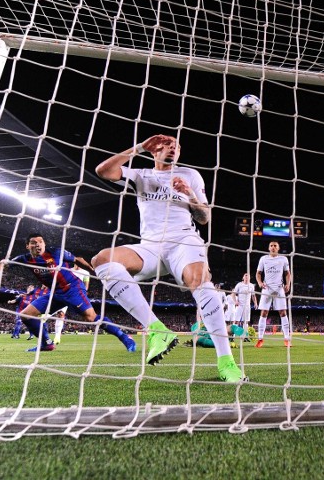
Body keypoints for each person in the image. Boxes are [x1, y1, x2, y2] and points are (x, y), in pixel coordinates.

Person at [91, 133, 243, 382]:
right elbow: (103, 170)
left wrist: (190, 195)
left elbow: (205, 218)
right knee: (102, 260)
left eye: (177, 146)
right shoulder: (141, 175)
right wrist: (139, 147)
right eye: (167, 144)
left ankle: (226, 363)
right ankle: (157, 331)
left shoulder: (190, 175)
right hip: (150, 246)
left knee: (200, 279)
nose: (173, 148)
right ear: (155, 150)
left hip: (183, 241)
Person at [0, 233, 136, 353]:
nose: (38, 245)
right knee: (26, 315)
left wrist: (93, 272)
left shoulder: (55, 252)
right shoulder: (24, 259)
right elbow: (0, 266)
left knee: (91, 318)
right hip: (54, 294)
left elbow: (77, 259)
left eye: (41, 242)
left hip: (73, 288)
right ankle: (46, 343)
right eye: (34, 243)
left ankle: (125, 337)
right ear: (27, 246)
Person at [255, 241, 291, 348]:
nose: (273, 247)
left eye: (275, 246)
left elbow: (287, 273)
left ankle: (287, 339)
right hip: (267, 288)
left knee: (283, 312)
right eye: (271, 245)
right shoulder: (263, 259)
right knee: (264, 312)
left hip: (279, 288)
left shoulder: (283, 259)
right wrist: (260, 283)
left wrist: (288, 284)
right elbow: (258, 273)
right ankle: (260, 339)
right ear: (268, 248)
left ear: (278, 248)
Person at [233, 273, 257, 337]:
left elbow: (253, 295)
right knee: (236, 321)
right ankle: (232, 336)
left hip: (247, 306)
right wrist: (235, 301)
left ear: (249, 278)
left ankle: (244, 336)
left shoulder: (251, 286)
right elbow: (233, 294)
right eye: (245, 276)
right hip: (240, 305)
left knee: (245, 322)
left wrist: (255, 303)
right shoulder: (239, 285)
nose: (246, 277)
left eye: (248, 276)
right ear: (243, 278)